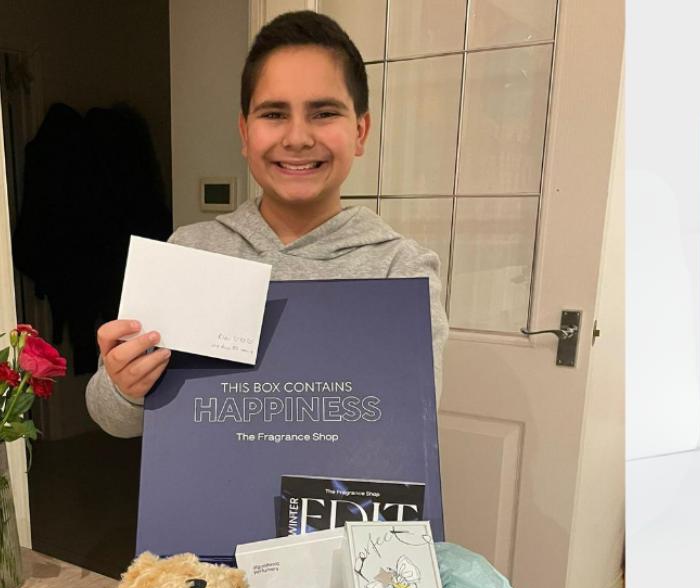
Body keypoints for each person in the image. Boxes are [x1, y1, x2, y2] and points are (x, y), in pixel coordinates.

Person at [86, 11, 447, 438]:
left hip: (334, 503)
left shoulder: (400, 269)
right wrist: (124, 386)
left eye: (324, 112)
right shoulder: (189, 252)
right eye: (274, 114)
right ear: (244, 132)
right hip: (207, 501)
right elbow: (115, 419)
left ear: (361, 131)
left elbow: (408, 427)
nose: (296, 138)